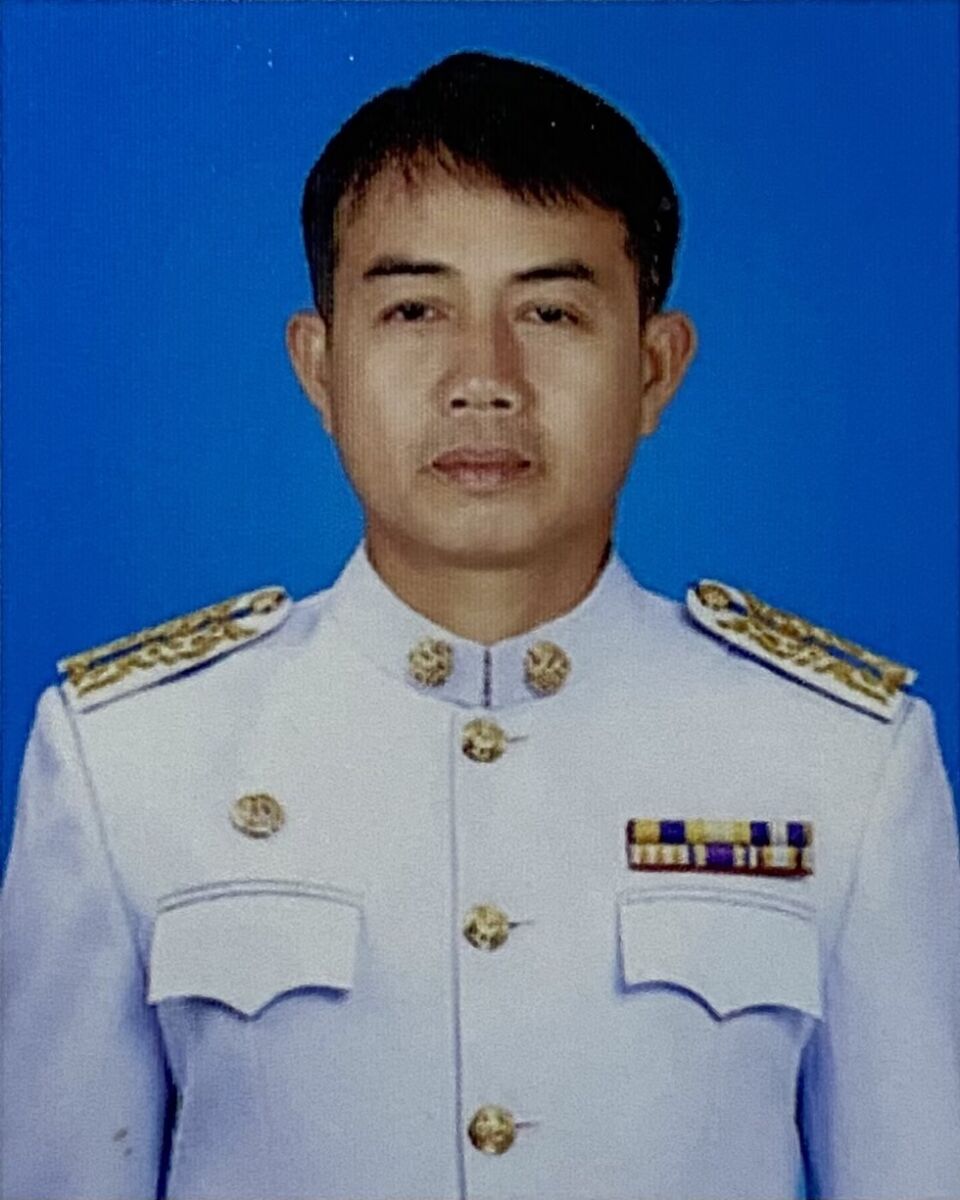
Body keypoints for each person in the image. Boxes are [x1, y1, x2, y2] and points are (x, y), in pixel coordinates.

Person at [1, 49, 957, 1200]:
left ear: (655, 370)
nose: (484, 379)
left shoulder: (844, 763)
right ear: (320, 365)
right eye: (415, 310)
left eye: (550, 311)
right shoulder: (128, 758)